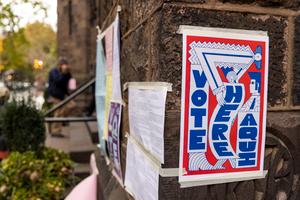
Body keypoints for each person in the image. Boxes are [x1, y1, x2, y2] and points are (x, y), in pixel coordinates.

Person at [48, 58, 76, 137]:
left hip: (63, 95)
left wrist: (67, 72)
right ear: (60, 65)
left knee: (72, 105)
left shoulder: (65, 72)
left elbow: (69, 80)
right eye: (63, 65)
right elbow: (58, 81)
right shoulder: (54, 71)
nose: (65, 67)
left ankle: (62, 119)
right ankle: (55, 131)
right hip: (55, 95)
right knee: (58, 112)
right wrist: (63, 73)